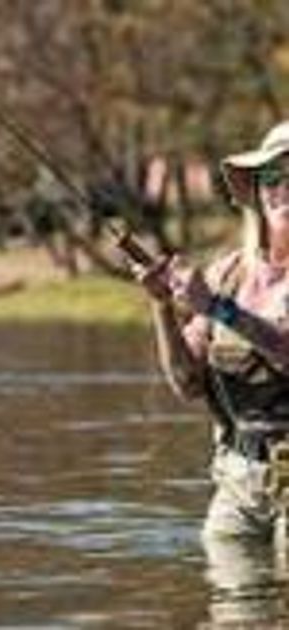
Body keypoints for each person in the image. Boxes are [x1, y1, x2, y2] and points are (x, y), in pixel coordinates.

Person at [130, 121, 289, 542]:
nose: (283, 188)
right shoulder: (229, 274)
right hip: (237, 485)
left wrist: (219, 309)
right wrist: (162, 305)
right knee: (225, 582)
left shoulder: (220, 296)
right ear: (258, 191)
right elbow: (187, 384)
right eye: (273, 176)